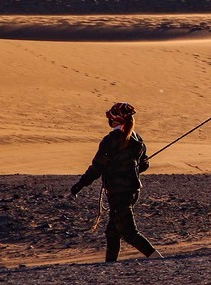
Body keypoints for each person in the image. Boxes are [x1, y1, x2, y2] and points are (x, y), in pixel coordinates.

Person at [69, 102, 163, 262]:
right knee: (112, 232)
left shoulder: (110, 140)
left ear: (115, 120)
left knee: (130, 232)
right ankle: (109, 264)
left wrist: (79, 185)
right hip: (132, 191)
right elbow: (144, 164)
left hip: (119, 193)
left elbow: (97, 167)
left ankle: (158, 260)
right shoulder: (137, 138)